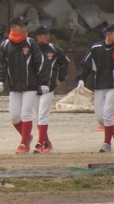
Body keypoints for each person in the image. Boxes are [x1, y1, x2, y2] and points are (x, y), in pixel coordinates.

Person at [0, 15, 49, 154]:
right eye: (21, 25)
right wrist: (0, 80)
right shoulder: (5, 45)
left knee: (26, 113)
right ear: (13, 28)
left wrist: (43, 82)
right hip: (14, 86)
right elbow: (1, 64)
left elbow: (40, 63)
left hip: (30, 85)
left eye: (25, 25)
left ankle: (24, 143)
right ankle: (27, 136)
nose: (24, 28)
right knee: (14, 117)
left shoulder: (31, 43)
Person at [31, 24, 70, 153]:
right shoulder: (31, 49)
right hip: (33, 87)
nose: (48, 37)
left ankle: (40, 144)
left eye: (48, 34)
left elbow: (65, 62)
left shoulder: (54, 50)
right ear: (37, 37)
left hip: (48, 86)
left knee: (43, 115)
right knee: (37, 117)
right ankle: (47, 142)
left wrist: (61, 78)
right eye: (45, 34)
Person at [76, 23, 114, 153]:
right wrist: (81, 78)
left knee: (107, 113)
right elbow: (85, 64)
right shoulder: (95, 48)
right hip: (99, 85)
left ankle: (106, 144)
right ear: (109, 34)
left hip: (112, 86)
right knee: (100, 118)